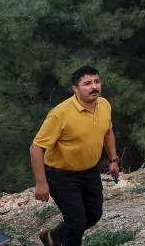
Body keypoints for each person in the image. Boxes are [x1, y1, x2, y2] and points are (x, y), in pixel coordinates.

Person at [29, 66, 121, 246]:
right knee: (76, 222)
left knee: (94, 215)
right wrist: (41, 183)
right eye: (87, 83)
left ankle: (54, 237)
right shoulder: (60, 114)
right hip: (61, 175)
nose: (94, 86)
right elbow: (36, 148)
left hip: (90, 172)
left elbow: (108, 132)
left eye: (96, 81)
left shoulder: (104, 105)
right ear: (75, 89)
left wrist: (113, 160)